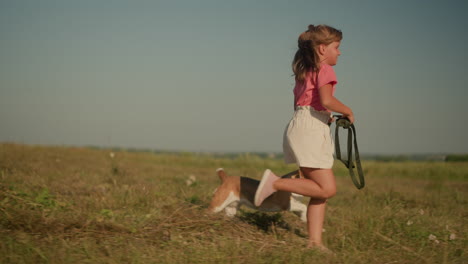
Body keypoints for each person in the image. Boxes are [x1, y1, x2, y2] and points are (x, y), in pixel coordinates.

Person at [254, 24, 354, 252]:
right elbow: (327, 100)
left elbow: (305, 104)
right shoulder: (326, 70)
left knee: (318, 191)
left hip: (302, 124)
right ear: (322, 49)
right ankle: (275, 183)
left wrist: (324, 117)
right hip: (310, 130)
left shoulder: (305, 71)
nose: (339, 52)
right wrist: (347, 111)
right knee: (327, 189)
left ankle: (314, 243)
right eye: (336, 47)